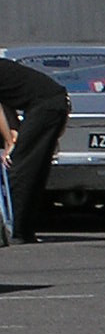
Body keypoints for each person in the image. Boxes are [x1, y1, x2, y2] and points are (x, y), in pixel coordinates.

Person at [0, 57, 71, 244]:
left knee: (21, 170)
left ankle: (17, 232)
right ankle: (25, 230)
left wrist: (9, 142)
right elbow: (6, 104)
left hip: (46, 105)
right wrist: (14, 137)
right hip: (51, 103)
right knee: (32, 169)